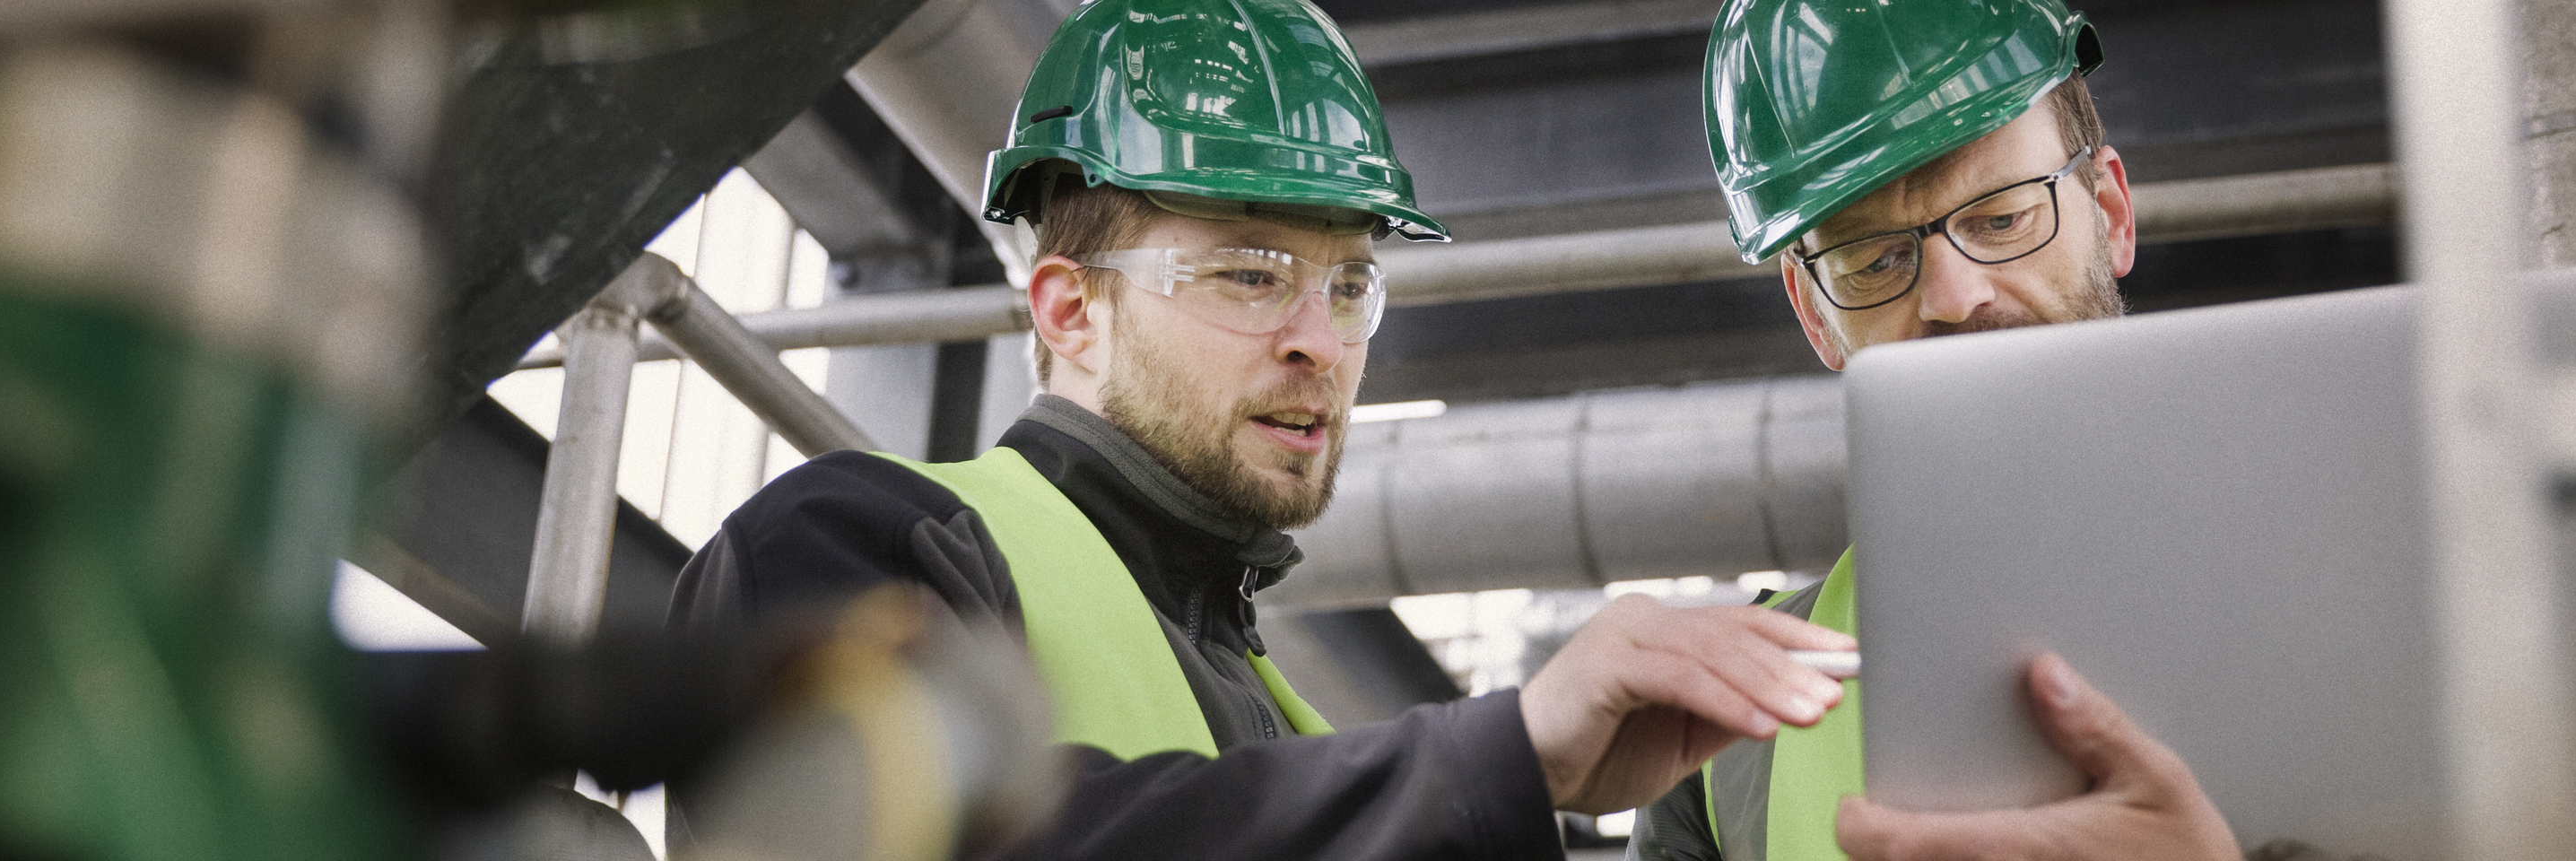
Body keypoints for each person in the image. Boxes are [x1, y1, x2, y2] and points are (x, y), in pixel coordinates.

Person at [668, 0, 1854, 857]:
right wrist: (1495, 761)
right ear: (1070, 309)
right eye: (1249, 274)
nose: (1320, 342)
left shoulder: (1285, 719)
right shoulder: (859, 541)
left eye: (1348, 287)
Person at [1626, 1, 2254, 859]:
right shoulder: (1728, 734)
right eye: (1875, 260)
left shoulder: (2395, 589)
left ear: (2110, 213)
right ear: (1816, 314)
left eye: (2002, 218)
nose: (1956, 298)